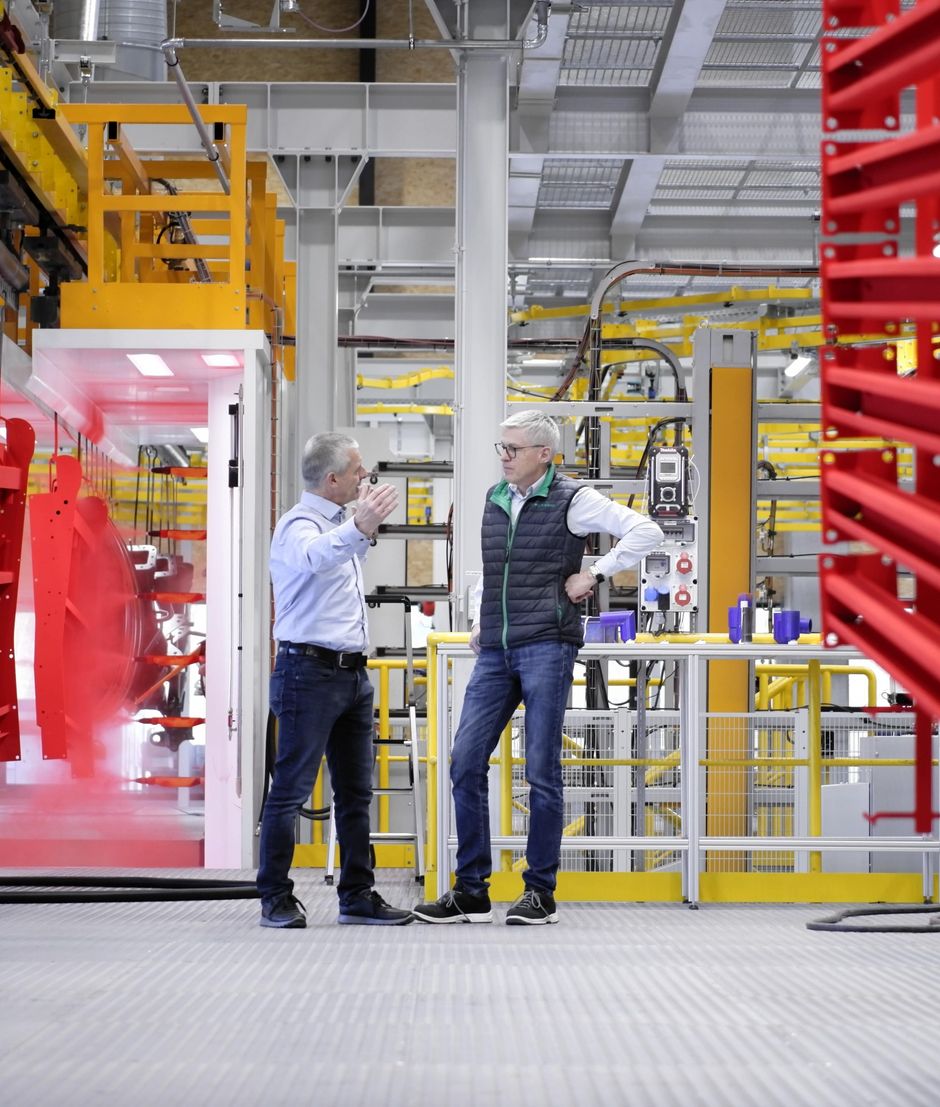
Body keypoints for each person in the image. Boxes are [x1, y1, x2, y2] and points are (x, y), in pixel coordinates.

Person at [412, 409, 664, 926]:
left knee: (542, 770)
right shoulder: (495, 498)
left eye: (513, 448)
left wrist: (594, 573)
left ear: (543, 454)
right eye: (501, 447)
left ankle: (540, 893)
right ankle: (471, 891)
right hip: (496, 650)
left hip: (547, 645)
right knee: (464, 762)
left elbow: (646, 530)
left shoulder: (574, 499)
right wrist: (482, 617)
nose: (504, 456)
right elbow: (494, 569)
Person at [257, 432, 414, 928]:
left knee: (355, 793)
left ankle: (357, 895)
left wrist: (361, 529)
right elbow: (315, 557)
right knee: (290, 790)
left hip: (350, 676)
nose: (364, 476)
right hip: (307, 673)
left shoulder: (338, 525)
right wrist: (359, 527)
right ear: (331, 479)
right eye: (357, 470)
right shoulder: (298, 526)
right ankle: (274, 898)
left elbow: (338, 562)